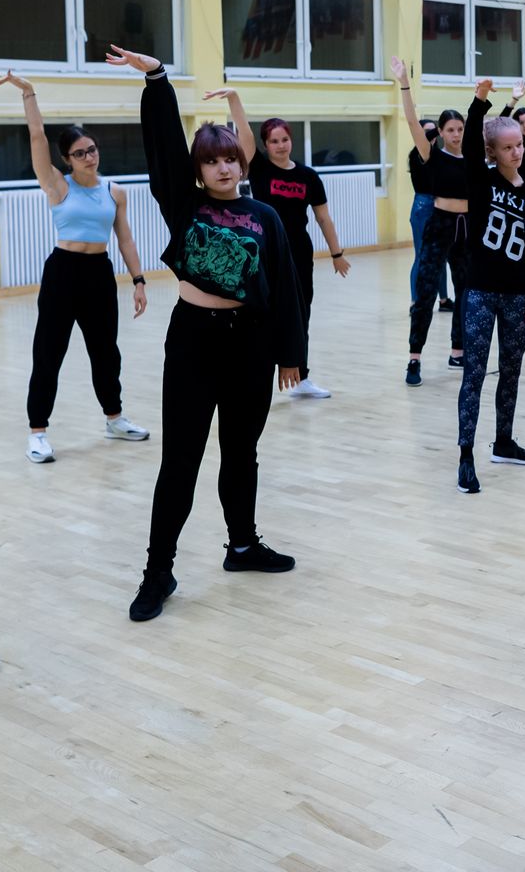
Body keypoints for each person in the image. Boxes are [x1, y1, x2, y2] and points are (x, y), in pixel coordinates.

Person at [107, 45, 306, 623]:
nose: (223, 168)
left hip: (251, 343)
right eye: (212, 161)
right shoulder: (183, 203)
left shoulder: (265, 217)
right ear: (198, 170)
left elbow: (286, 288)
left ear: (242, 164)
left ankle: (242, 546)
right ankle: (158, 571)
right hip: (194, 340)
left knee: (242, 452)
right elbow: (164, 147)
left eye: (230, 160)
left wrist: (291, 354)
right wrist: (157, 80)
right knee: (181, 460)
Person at [0, 72, 149, 463]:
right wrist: (28, 93)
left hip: (99, 273)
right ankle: (37, 432)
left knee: (106, 352)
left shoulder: (115, 191)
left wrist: (139, 280)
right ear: (67, 160)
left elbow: (125, 239)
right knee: (49, 352)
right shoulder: (57, 185)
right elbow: (37, 137)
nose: (89, 157)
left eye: (92, 149)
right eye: (80, 153)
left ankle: (114, 418)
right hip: (63, 273)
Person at [209, 89, 352, 400]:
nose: (280, 145)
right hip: (263, 253)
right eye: (274, 141)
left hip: (298, 253)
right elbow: (244, 134)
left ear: (291, 141)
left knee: (300, 314)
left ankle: (300, 376)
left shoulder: (308, 176)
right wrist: (234, 99)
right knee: (260, 314)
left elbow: (323, 218)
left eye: (284, 139)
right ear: (265, 145)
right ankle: (253, 374)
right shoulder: (259, 168)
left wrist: (337, 253)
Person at [453, 80, 525, 493]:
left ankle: (504, 442)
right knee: (474, 374)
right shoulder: (481, 180)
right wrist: (479, 102)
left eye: (519, 145)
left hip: (517, 295)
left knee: (511, 371)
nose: (517, 152)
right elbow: (471, 143)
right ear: (493, 152)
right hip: (480, 292)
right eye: (508, 147)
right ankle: (465, 456)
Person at [393, 59, 469, 386]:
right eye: (450, 129)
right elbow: (411, 120)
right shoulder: (432, 155)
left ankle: (458, 351)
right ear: (440, 132)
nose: (456, 134)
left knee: (465, 292)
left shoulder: (473, 157)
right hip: (439, 226)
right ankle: (414, 359)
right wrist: (404, 84)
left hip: (466, 229)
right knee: (425, 292)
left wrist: (510, 102)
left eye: (459, 129)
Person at [406, 118, 454, 313]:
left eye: (433, 132)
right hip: (423, 207)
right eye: (427, 131)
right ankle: (415, 302)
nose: (431, 135)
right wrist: (441, 128)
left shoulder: (439, 155)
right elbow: (424, 139)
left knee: (441, 256)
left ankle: (443, 299)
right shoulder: (416, 153)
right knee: (421, 256)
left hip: (440, 205)